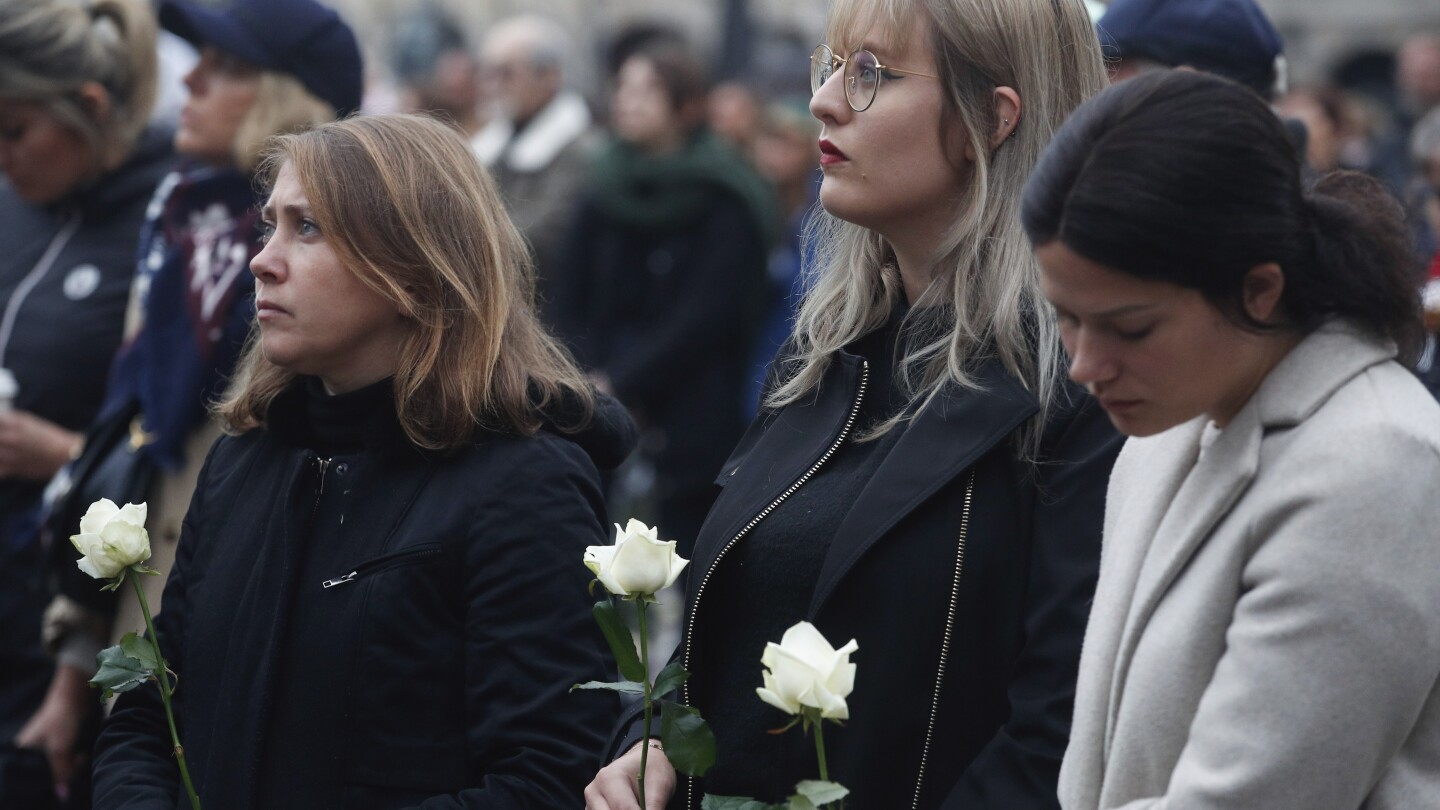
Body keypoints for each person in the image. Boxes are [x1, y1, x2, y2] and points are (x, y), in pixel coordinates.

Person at [585, 0, 1119, 807]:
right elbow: (739, 624)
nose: (825, 100)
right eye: (830, 66)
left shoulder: (1081, 386)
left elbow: (1063, 731)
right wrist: (652, 741)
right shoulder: (825, 356)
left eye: (869, 73)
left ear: (994, 117)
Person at [90, 112, 633, 808]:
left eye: (306, 228)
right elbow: (151, 710)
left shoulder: (523, 484)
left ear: (415, 265)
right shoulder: (243, 463)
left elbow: (546, 775)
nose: (263, 259)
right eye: (271, 225)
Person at [1023, 69, 1440, 810]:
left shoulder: (1375, 466)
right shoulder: (1170, 422)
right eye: (1066, 317)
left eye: (1130, 327)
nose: (1085, 365)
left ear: (1260, 288)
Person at [23, 0, 359, 796]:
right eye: (196, 55)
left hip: (251, 649)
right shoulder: (179, 222)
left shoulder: (334, 270)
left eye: (229, 65)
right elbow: (131, 447)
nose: (194, 78)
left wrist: (53, 452)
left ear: (293, 100)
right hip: (147, 634)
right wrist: (78, 669)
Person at [0, 0, 171, 798]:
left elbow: (183, 440)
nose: (3, 157)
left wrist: (64, 453)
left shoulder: (163, 218)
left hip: (71, 597)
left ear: (90, 112)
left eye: (14, 131)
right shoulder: (18, 205)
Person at [553, 40, 774, 556]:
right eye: (624, 88)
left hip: (691, 411)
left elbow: (707, 314)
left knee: (685, 558)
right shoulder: (602, 185)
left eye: (648, 89)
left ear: (686, 105)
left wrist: (624, 379)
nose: (629, 101)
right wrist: (584, 377)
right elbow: (569, 295)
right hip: (594, 402)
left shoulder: (726, 193)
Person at [472, 14, 598, 319]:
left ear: (549, 76)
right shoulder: (490, 143)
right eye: (487, 73)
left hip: (550, 317)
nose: (491, 86)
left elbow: (539, 241)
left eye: (505, 73)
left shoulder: (581, 153)